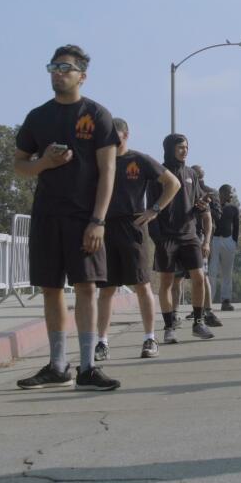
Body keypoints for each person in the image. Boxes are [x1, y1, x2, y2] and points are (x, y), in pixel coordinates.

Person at [13, 45, 120, 393]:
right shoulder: (38, 117)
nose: (58, 72)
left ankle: (88, 366)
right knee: (51, 288)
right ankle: (58, 365)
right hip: (47, 214)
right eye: (53, 66)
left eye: (66, 67)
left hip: (84, 217)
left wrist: (98, 220)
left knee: (87, 286)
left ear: (82, 75)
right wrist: (44, 163)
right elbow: (20, 165)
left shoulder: (98, 115)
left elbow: (108, 173)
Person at [93, 118, 180, 363]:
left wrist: (154, 210)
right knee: (107, 289)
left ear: (126, 135)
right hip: (105, 227)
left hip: (133, 227)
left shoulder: (139, 160)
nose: (111, 140)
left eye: (116, 135)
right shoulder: (99, 160)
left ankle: (149, 338)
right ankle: (102, 342)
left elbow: (173, 184)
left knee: (142, 285)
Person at [149, 134, 215, 343]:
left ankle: (199, 322)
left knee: (198, 278)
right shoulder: (158, 173)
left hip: (189, 235)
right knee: (167, 282)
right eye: (180, 147)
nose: (184, 150)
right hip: (166, 236)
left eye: (186, 147)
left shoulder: (191, 174)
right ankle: (169, 327)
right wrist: (157, 237)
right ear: (169, 148)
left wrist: (200, 206)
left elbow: (195, 204)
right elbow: (151, 207)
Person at [185, 165, 223, 327]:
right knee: (179, 276)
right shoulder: (185, 188)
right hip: (182, 235)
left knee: (202, 275)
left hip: (200, 236)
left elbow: (216, 215)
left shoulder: (210, 192)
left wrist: (202, 208)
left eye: (197, 173)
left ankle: (208, 310)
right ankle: (195, 309)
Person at [208, 184, 241, 311]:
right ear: (222, 193)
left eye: (232, 193)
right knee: (212, 271)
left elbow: (236, 226)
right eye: (229, 193)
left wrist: (234, 241)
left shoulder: (233, 208)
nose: (231, 195)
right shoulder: (212, 205)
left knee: (227, 272)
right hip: (214, 240)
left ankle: (226, 300)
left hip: (229, 241)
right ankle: (208, 302)